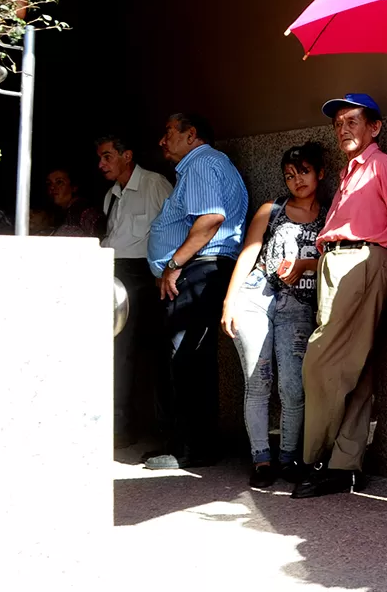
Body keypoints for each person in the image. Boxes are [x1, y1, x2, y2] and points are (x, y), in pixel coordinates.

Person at [294, 92, 387, 499]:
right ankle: (343, 466)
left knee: (320, 360)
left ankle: (312, 457)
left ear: (374, 127)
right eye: (338, 123)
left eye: (352, 121)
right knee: (356, 369)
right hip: (338, 264)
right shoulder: (351, 170)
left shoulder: (381, 164)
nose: (343, 129)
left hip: (362, 262)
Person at [219, 143, 328, 489]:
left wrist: (306, 264)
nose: (297, 180)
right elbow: (248, 253)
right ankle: (261, 459)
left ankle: (288, 457)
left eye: (304, 172)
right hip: (256, 297)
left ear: (321, 173)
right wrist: (229, 301)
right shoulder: (272, 209)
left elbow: (335, 260)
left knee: (293, 387)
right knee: (258, 381)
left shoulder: (330, 215)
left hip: (300, 307)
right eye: (290, 175)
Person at [143, 112, 249, 470]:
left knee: (187, 357)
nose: (162, 140)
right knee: (190, 357)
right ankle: (187, 443)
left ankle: (192, 448)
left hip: (200, 267)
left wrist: (175, 264)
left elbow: (210, 217)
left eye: (169, 132)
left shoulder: (201, 162)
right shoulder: (203, 164)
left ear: (192, 135)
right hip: (201, 267)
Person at [97, 133, 175, 446]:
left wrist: (168, 269)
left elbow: (174, 225)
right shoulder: (111, 195)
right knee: (118, 350)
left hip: (145, 273)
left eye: (107, 156)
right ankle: (120, 425)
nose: (101, 164)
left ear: (126, 155)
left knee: (145, 351)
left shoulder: (154, 184)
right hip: (115, 271)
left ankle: (156, 428)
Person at [46, 166, 103, 237]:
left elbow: (101, 237)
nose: (52, 187)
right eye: (49, 183)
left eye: (59, 182)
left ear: (74, 187)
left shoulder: (85, 212)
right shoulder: (61, 214)